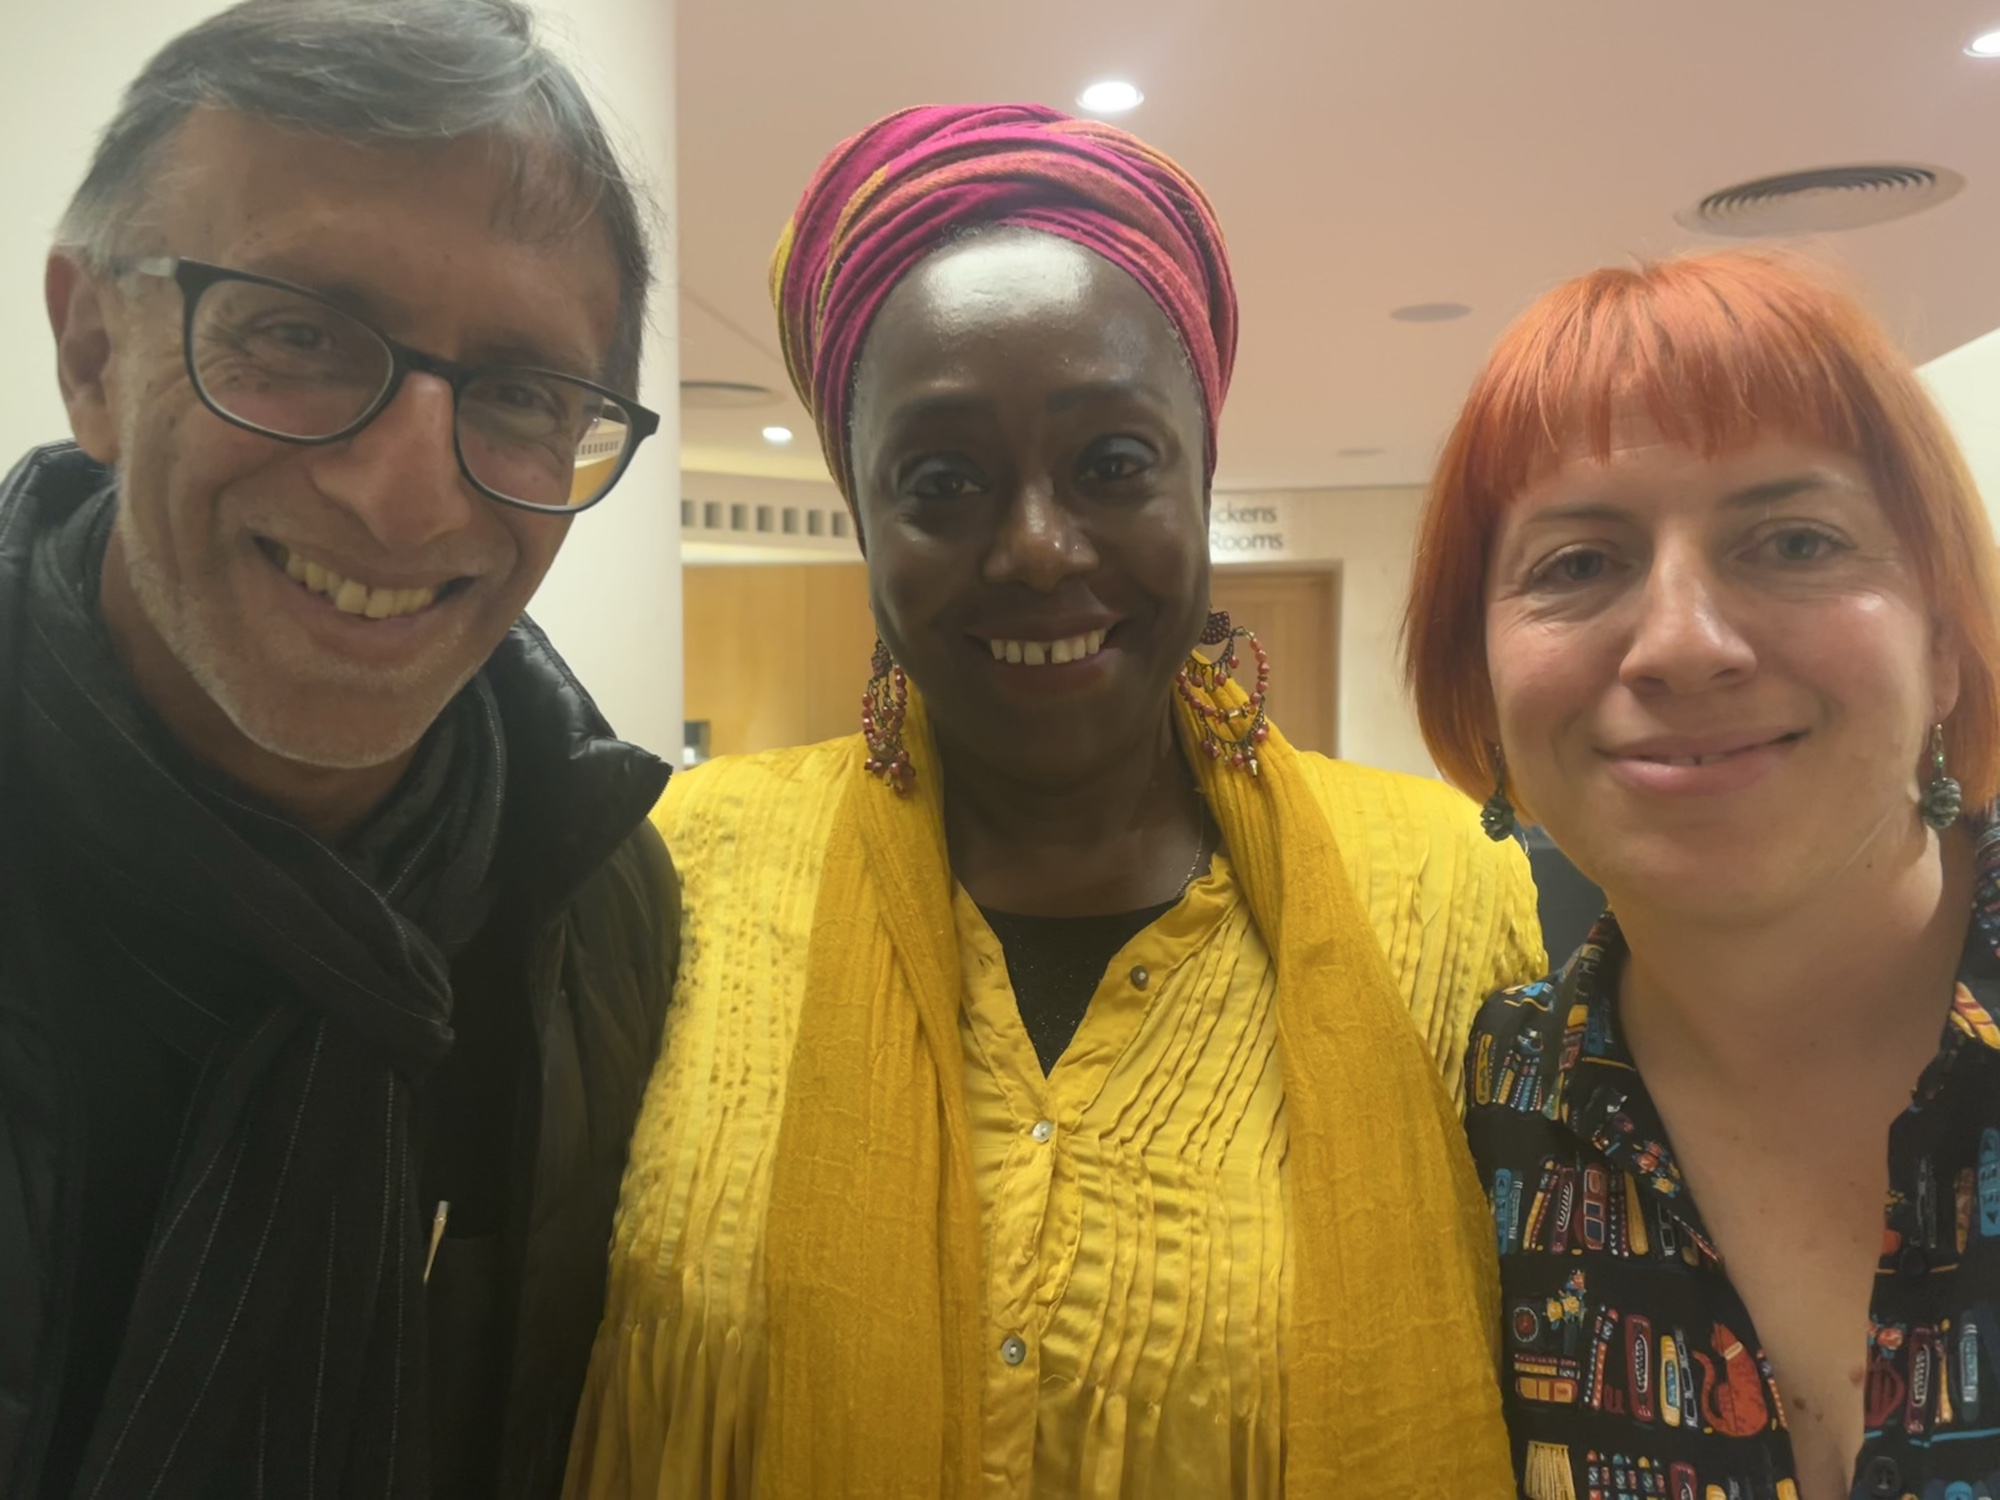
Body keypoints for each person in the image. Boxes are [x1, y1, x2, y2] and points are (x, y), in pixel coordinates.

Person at [566, 103, 1543, 1500]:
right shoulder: (678, 871)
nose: (1035, 548)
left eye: (1113, 465)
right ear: (862, 515)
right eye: (944, 481)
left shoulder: (1455, 895)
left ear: (1202, 474)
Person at [0, 2, 680, 1494]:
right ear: (94, 350)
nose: (404, 498)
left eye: (519, 392)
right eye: (300, 334)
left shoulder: (594, 907)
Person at [1405, 250, 2000, 1500]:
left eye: (1793, 540)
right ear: (1479, 679)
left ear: (1943, 644)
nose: (1680, 644)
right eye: (1577, 564)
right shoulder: (1477, 1112)